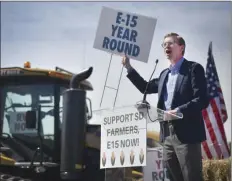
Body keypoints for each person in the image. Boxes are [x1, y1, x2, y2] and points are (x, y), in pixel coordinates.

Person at [122, 32, 209, 181]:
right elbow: (145, 87)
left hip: (187, 135)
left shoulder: (193, 69)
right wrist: (129, 67)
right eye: (164, 44)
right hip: (167, 136)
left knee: (192, 177)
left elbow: (202, 99)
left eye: (170, 43)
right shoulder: (164, 75)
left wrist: (179, 111)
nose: (166, 46)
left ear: (181, 47)